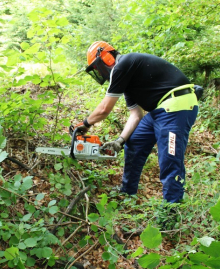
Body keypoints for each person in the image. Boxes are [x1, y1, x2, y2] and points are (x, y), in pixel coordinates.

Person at [75, 41, 199, 204]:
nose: (100, 72)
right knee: (134, 143)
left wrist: (85, 124)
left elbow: (104, 109)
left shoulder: (123, 65)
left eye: (98, 67)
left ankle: (170, 211)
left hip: (177, 107)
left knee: (170, 159)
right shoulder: (128, 79)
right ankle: (127, 193)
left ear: (106, 57)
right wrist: (120, 140)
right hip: (159, 111)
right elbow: (136, 114)